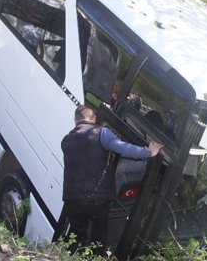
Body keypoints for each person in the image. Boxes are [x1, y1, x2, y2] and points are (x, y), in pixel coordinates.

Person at [60, 105, 163, 256]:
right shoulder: (101, 133)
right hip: (98, 201)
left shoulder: (66, 140)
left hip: (73, 200)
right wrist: (148, 152)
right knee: (98, 240)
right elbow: (122, 147)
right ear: (94, 119)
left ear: (75, 121)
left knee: (75, 238)